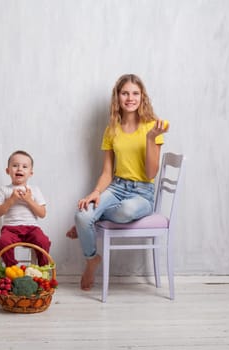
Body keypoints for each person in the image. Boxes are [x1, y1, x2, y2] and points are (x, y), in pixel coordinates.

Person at [67, 74, 168, 291]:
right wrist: (95, 193)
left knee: (125, 211)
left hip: (142, 194)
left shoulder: (152, 127)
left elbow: (151, 173)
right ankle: (92, 259)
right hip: (116, 188)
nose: (130, 98)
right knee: (82, 214)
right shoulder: (112, 129)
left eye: (135, 93)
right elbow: (106, 173)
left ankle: (88, 223)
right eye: (125, 93)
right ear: (117, 97)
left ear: (142, 97)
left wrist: (151, 139)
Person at [0, 150, 51, 266]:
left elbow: (42, 213)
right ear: (8, 171)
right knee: (3, 242)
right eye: (15, 166)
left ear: (30, 173)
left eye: (25, 167)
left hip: (32, 228)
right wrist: (11, 200)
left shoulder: (34, 190)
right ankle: (13, 269)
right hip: (10, 228)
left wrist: (29, 200)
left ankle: (42, 267)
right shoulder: (4, 190)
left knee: (43, 241)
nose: (19, 169)